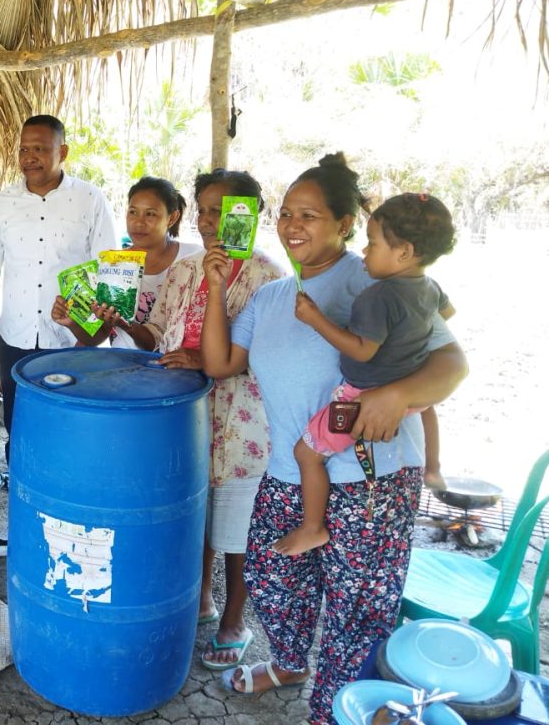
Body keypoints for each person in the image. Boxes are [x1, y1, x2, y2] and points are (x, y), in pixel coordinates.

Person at [200, 153, 467, 725]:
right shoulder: (272, 296)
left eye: (311, 215)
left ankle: (336, 710)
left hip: (371, 479)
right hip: (287, 471)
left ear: (345, 224)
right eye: (287, 213)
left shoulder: (375, 281)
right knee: (273, 583)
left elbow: (453, 362)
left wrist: (397, 397)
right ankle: (292, 663)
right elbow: (220, 363)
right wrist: (217, 288)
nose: (292, 225)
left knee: (356, 611)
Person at [96, 169, 283, 672]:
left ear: (251, 215)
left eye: (223, 211)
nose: (209, 221)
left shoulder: (269, 277)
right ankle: (201, 600)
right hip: (183, 417)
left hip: (240, 424)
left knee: (236, 531)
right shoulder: (185, 268)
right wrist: (123, 324)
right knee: (193, 519)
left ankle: (234, 624)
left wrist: (207, 360)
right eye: (204, 209)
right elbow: (156, 334)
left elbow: (268, 354)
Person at [0, 115, 118, 557]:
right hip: (17, 335)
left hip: (71, 341)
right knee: (19, 433)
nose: (29, 157)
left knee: (71, 434)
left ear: (63, 152)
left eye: (39, 148)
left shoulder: (90, 200)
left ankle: (70, 526)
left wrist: (97, 325)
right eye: (23, 149)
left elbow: (108, 266)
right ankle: (22, 525)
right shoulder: (3, 202)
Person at [277, 191, 457, 556]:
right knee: (427, 407)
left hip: (360, 399)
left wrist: (316, 320)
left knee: (307, 453)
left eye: (372, 244)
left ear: (404, 252)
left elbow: (361, 348)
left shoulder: (378, 296)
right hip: (408, 393)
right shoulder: (429, 287)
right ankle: (433, 468)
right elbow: (447, 314)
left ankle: (312, 528)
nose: (364, 252)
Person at [50, 176, 197, 346]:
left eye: (150, 214)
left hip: (172, 368)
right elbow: (97, 337)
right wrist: (72, 323)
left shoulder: (192, 258)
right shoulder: (112, 266)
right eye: (133, 212)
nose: (138, 222)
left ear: (172, 218)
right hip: (122, 364)